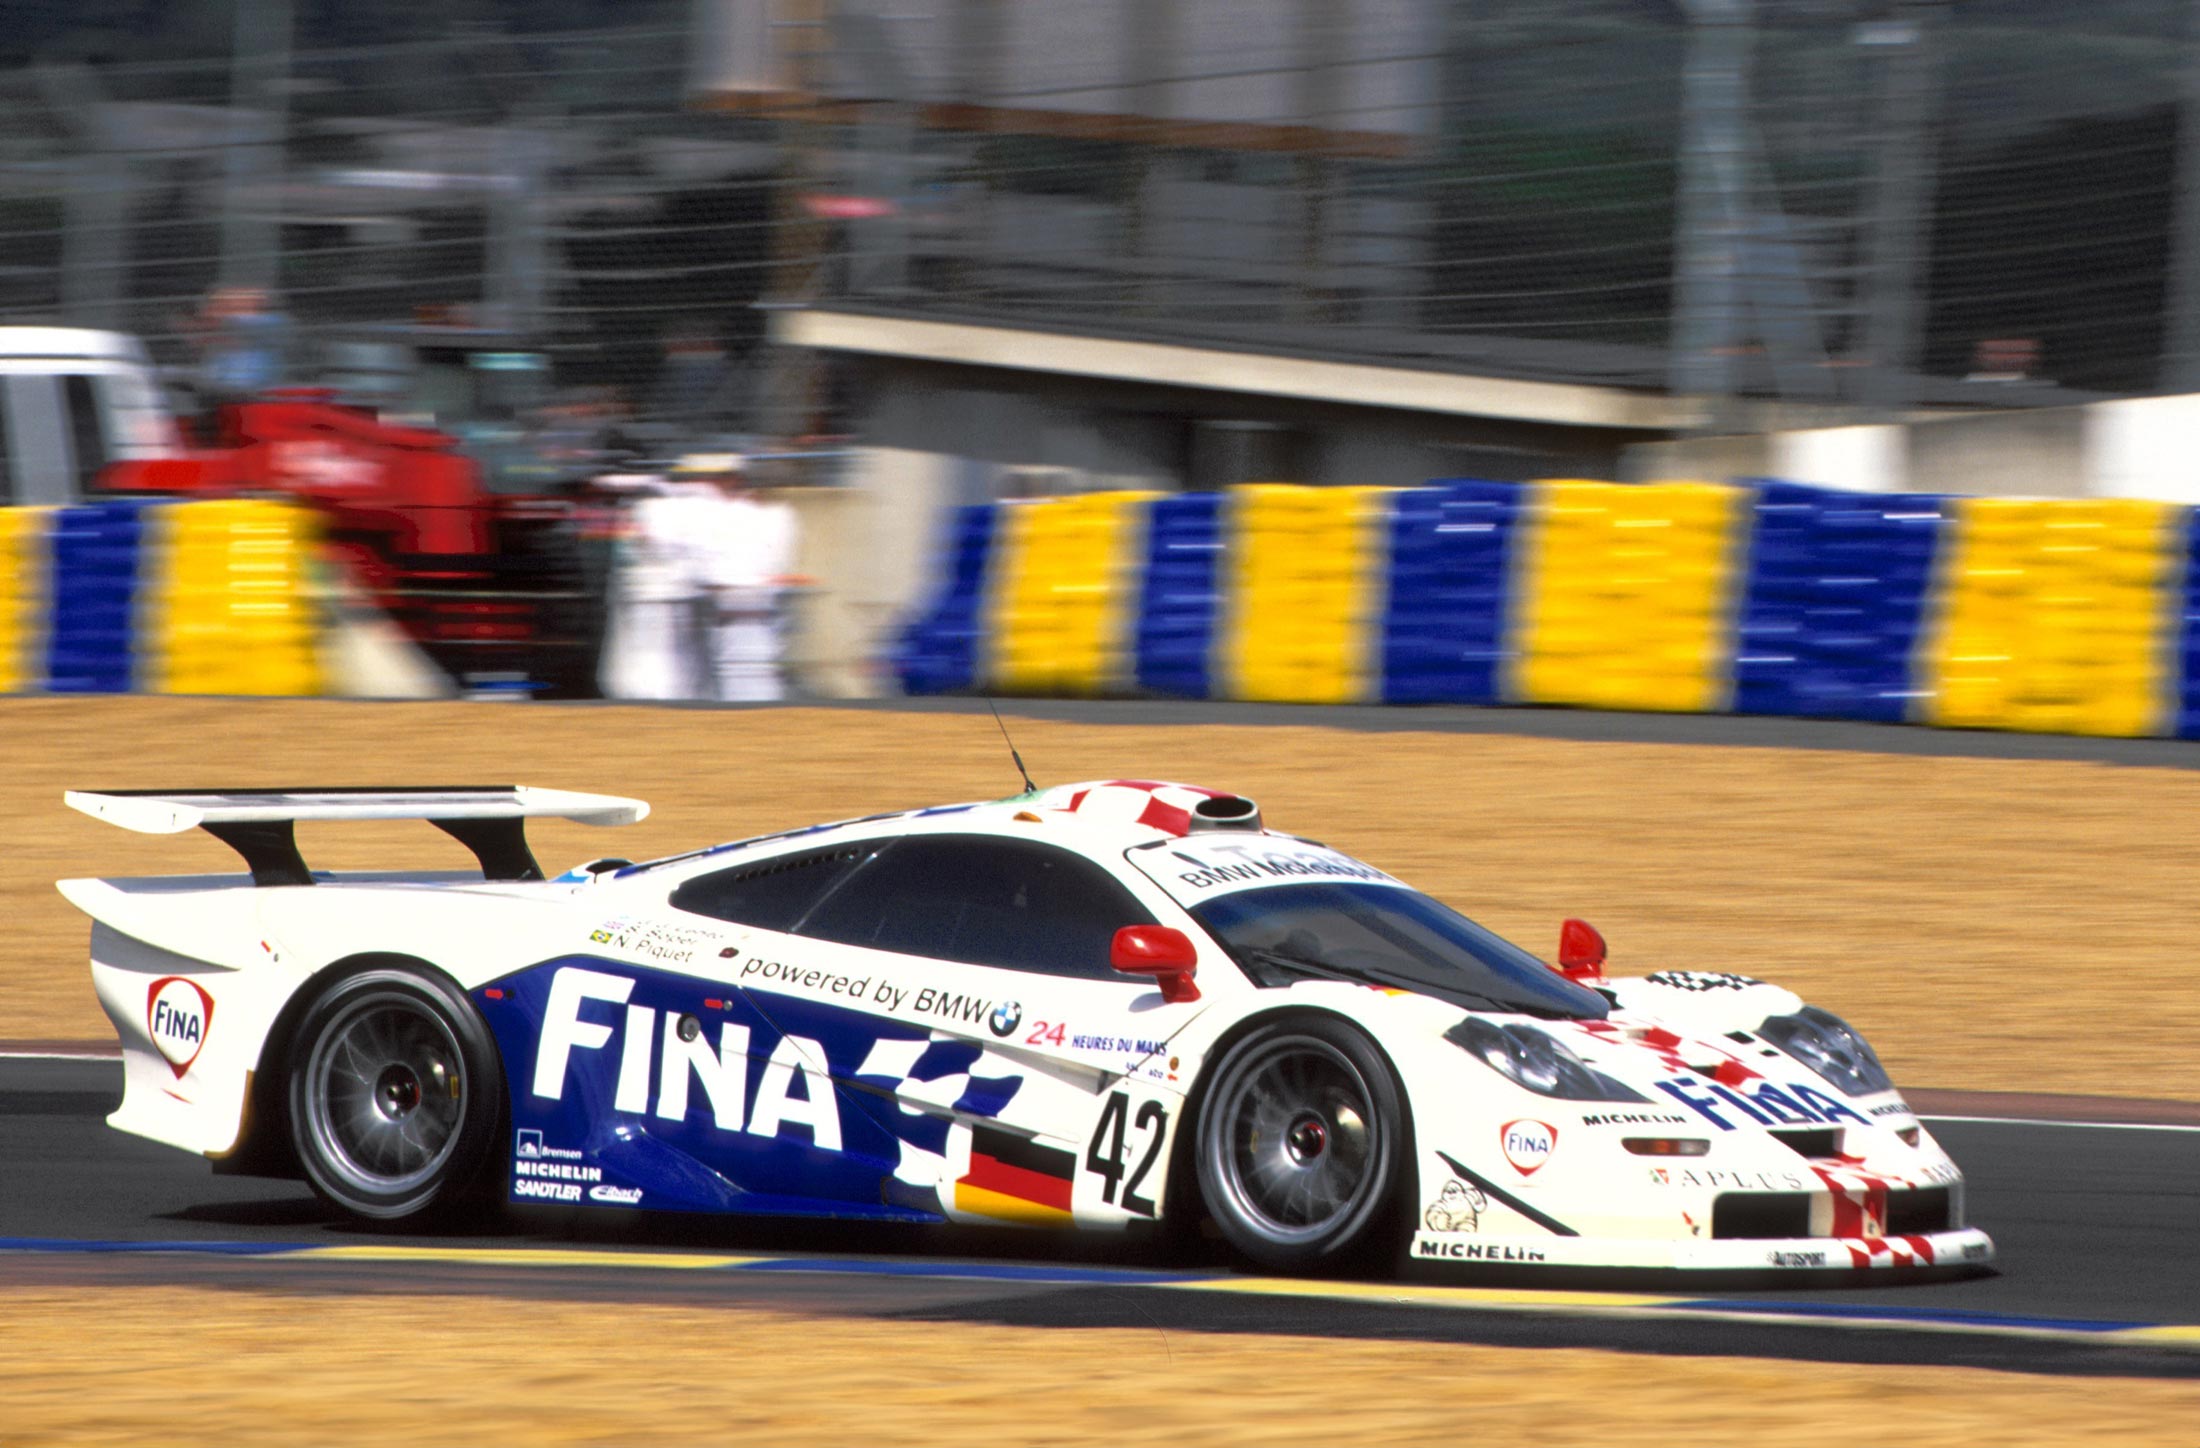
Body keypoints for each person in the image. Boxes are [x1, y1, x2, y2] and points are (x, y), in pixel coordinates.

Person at [680, 452, 803, 703]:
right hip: (719, 610)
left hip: (755, 611)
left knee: (755, 673)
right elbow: (701, 565)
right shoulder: (711, 514)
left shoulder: (772, 516)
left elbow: (774, 563)